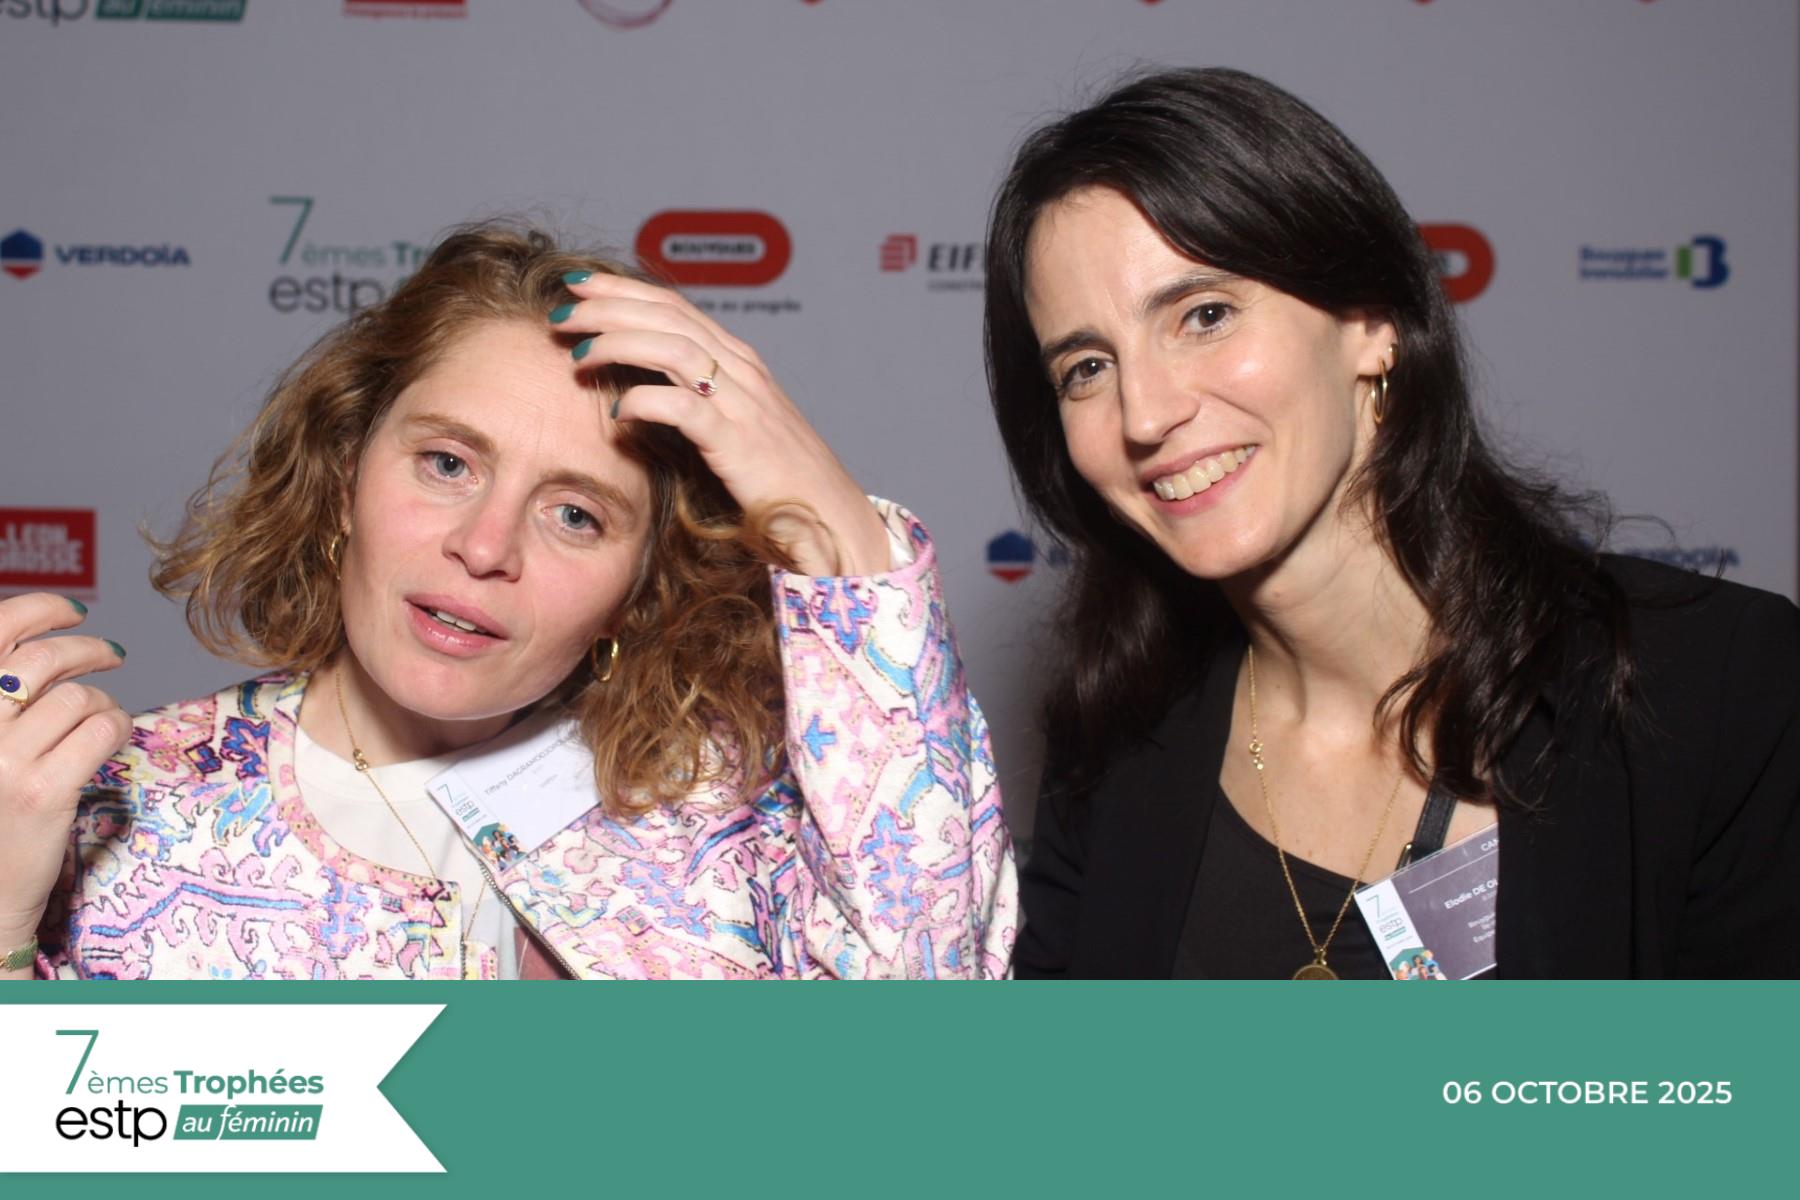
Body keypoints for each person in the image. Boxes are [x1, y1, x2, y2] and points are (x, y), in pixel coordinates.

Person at [0, 222, 1016, 980]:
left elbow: (929, 1065)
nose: (485, 548)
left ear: (637, 588)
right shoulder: (124, 806)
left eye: (576, 515)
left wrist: (836, 537)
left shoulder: (731, 822)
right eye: (447, 463)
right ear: (346, 472)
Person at [985, 68, 1799, 979]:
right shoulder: (1114, 743)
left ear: (1373, 325)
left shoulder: (1715, 692)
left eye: (1204, 315)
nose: (1144, 413)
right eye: (1087, 368)